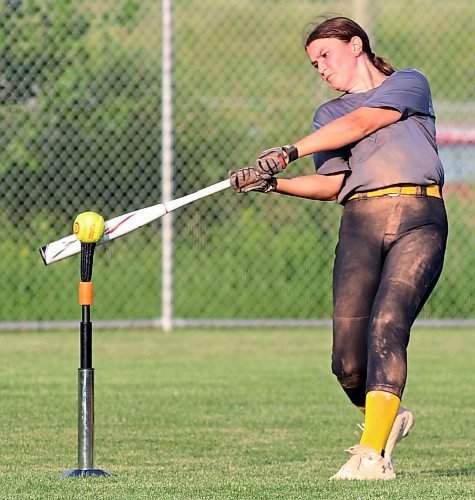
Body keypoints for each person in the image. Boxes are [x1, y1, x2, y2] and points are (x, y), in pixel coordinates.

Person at [229, 16, 447, 480]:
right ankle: (386, 418)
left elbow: (365, 120)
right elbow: (333, 186)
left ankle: (371, 457)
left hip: (418, 217)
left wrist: (287, 151)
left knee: (388, 325)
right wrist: (274, 184)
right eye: (314, 65)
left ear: (356, 45)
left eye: (325, 56)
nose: (321, 69)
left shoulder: (409, 83)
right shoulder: (326, 116)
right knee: (348, 362)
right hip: (360, 224)